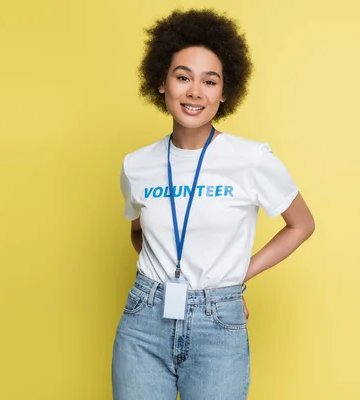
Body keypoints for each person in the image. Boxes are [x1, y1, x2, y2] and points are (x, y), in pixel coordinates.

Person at [111, 8, 315, 400]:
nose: (194, 92)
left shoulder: (251, 159)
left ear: (224, 93)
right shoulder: (137, 165)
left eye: (209, 81)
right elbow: (138, 232)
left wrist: (235, 278)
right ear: (161, 82)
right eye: (183, 77)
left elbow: (301, 225)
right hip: (144, 321)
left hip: (217, 322)